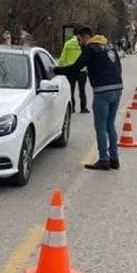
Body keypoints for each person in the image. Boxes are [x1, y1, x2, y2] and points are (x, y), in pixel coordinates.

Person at [52, 26, 123, 171]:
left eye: (79, 39)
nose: (78, 43)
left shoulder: (91, 49)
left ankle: (104, 159)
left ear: (85, 37)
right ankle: (114, 159)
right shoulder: (109, 46)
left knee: (101, 126)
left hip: (102, 91)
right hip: (117, 88)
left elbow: (75, 68)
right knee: (110, 124)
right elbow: (118, 67)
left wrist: (55, 70)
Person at [57, 27, 89, 113]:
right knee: (82, 90)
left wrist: (59, 67)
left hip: (70, 71)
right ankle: (83, 107)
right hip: (82, 70)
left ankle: (72, 108)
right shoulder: (83, 44)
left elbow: (63, 58)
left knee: (71, 89)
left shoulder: (68, 43)